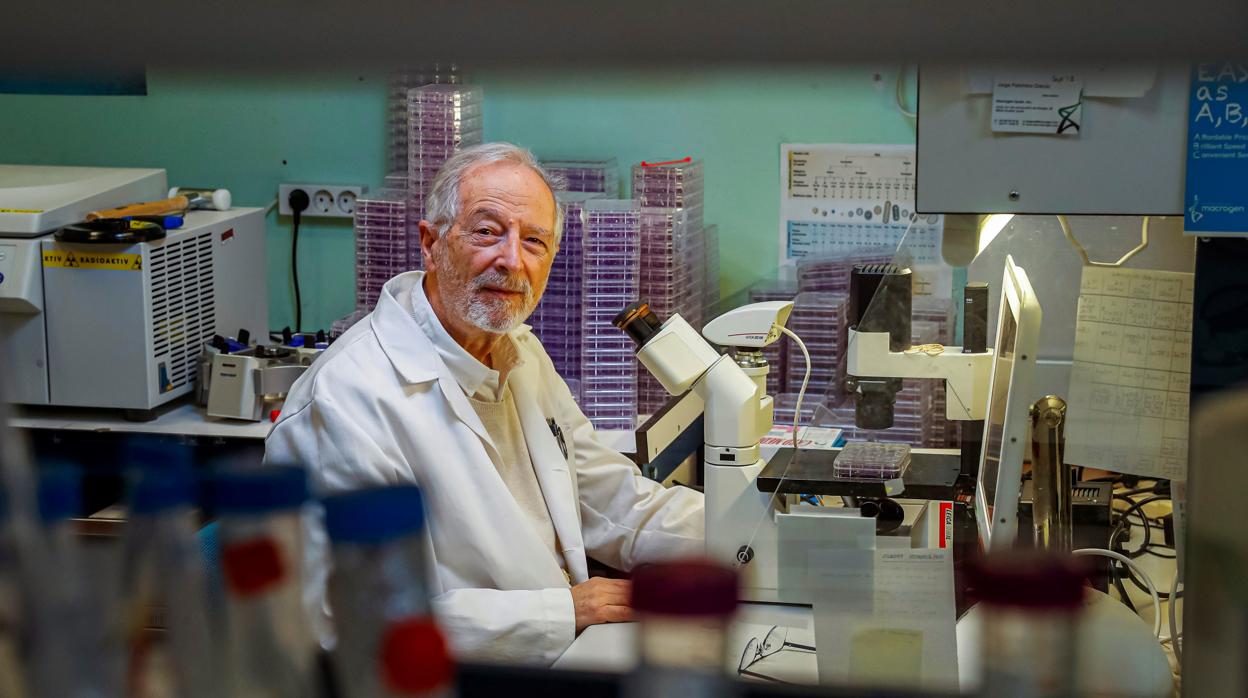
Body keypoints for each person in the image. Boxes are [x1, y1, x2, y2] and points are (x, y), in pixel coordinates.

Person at [265, 142, 705, 665]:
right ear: (431, 244)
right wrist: (562, 612)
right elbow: (345, 621)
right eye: (488, 231)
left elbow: (605, 499)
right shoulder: (346, 401)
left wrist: (750, 534)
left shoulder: (518, 350)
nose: (512, 259)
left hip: (559, 655)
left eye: (535, 241)